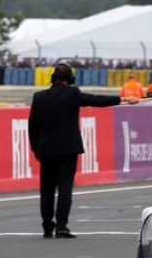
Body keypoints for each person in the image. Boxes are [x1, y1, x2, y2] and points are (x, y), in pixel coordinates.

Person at [28, 63, 139, 239]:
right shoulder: (73, 93)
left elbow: (32, 126)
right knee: (65, 188)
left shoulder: (39, 97)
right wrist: (123, 99)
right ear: (69, 79)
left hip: (46, 149)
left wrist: (36, 149)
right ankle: (62, 227)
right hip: (68, 148)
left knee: (47, 190)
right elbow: (96, 100)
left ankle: (47, 227)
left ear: (53, 78)